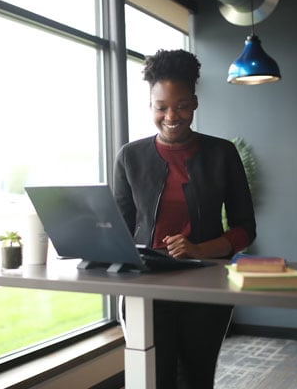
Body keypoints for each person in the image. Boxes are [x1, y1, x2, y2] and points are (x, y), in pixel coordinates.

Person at [113, 49, 256, 388]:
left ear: (194, 103)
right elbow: (118, 228)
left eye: (180, 105)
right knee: (155, 379)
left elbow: (245, 229)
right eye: (161, 107)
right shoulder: (130, 157)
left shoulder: (222, 154)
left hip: (205, 288)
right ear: (150, 106)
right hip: (146, 287)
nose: (170, 115)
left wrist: (201, 249)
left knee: (196, 379)